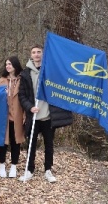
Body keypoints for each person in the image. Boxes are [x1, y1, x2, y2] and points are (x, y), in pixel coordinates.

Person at [18, 45, 73, 183]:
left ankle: (48, 170)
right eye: (34, 52)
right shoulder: (25, 74)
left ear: (43, 54)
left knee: (49, 145)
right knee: (32, 144)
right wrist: (29, 107)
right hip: (34, 117)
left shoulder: (51, 71)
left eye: (39, 52)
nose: (36, 54)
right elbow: (22, 95)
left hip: (48, 116)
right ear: (31, 55)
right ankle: (29, 170)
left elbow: (62, 86)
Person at [0, 56, 25, 178]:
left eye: (10, 64)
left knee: (15, 142)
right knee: (2, 142)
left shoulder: (22, 80)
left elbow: (26, 98)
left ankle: (13, 166)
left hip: (17, 116)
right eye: (6, 64)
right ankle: (2, 165)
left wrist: (25, 115)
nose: (8, 66)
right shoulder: (1, 80)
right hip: (3, 117)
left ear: (15, 65)